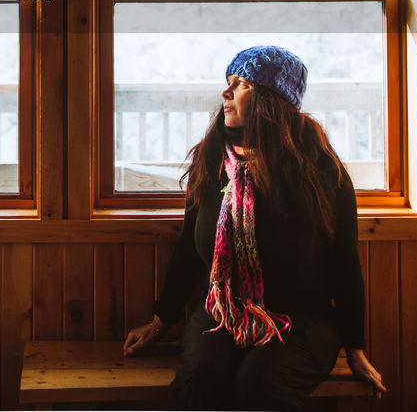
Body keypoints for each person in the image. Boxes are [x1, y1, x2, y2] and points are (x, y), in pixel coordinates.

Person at [123, 45, 386, 409]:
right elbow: (188, 248)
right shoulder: (213, 158)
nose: (225, 92)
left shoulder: (321, 171)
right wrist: (159, 322)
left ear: (270, 101)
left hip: (302, 320)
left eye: (241, 83)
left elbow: (345, 263)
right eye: (228, 81)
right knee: (202, 378)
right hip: (221, 313)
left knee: (259, 385)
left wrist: (356, 348)